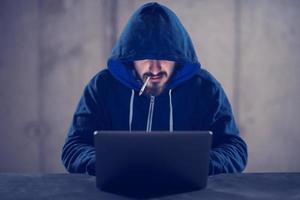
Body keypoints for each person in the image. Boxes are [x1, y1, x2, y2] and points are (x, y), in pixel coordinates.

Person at [61, 2, 247, 176]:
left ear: (179, 57)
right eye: (144, 57)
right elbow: (74, 146)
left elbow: (234, 148)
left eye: (165, 57)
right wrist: (105, 164)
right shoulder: (102, 86)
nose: (155, 68)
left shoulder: (206, 88)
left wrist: (199, 164)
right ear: (129, 58)